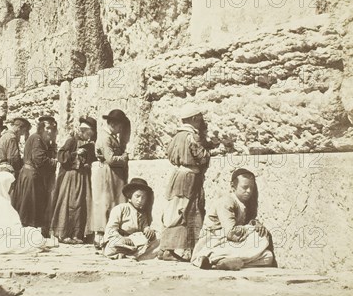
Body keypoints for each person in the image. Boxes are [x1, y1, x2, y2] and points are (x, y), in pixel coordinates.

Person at [191, 168, 276, 270]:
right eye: (245, 187)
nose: (249, 191)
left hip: (233, 243)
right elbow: (232, 233)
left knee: (268, 257)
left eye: (251, 188)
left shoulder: (244, 204)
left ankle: (226, 262)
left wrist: (255, 224)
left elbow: (244, 225)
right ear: (233, 186)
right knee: (260, 237)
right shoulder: (226, 201)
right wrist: (252, 228)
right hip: (215, 242)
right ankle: (212, 258)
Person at [158, 105, 210, 262]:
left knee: (175, 210)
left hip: (178, 174)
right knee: (183, 211)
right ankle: (173, 249)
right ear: (194, 119)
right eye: (200, 118)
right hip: (189, 176)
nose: (202, 122)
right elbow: (202, 157)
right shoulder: (192, 136)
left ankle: (169, 248)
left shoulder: (176, 136)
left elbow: (169, 154)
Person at [50, 116, 97, 244]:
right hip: (71, 177)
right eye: (88, 134)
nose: (89, 137)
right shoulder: (71, 141)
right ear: (83, 131)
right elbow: (61, 156)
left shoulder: (89, 144)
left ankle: (77, 234)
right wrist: (75, 153)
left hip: (82, 176)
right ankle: (64, 233)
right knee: (68, 204)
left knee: (80, 205)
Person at [88, 109, 131, 249]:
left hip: (112, 174)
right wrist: (124, 158)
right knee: (105, 203)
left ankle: (108, 236)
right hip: (107, 173)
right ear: (112, 124)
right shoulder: (105, 138)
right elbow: (111, 159)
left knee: (111, 202)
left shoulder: (110, 136)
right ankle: (100, 237)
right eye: (119, 126)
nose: (120, 129)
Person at [12, 116, 57, 236]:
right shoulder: (37, 138)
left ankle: (26, 232)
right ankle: (27, 233)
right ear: (41, 127)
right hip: (31, 176)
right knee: (29, 206)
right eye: (47, 128)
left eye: (52, 128)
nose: (49, 131)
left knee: (28, 205)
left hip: (29, 174)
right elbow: (39, 159)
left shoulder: (40, 139)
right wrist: (54, 161)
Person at [102, 178, 158, 260]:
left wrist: (147, 230)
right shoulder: (120, 208)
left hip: (134, 241)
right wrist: (122, 238)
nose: (140, 200)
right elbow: (111, 229)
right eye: (137, 196)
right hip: (120, 240)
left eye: (144, 197)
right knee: (113, 245)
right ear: (129, 196)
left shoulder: (142, 213)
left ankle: (130, 254)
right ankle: (133, 253)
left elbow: (144, 227)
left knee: (157, 239)